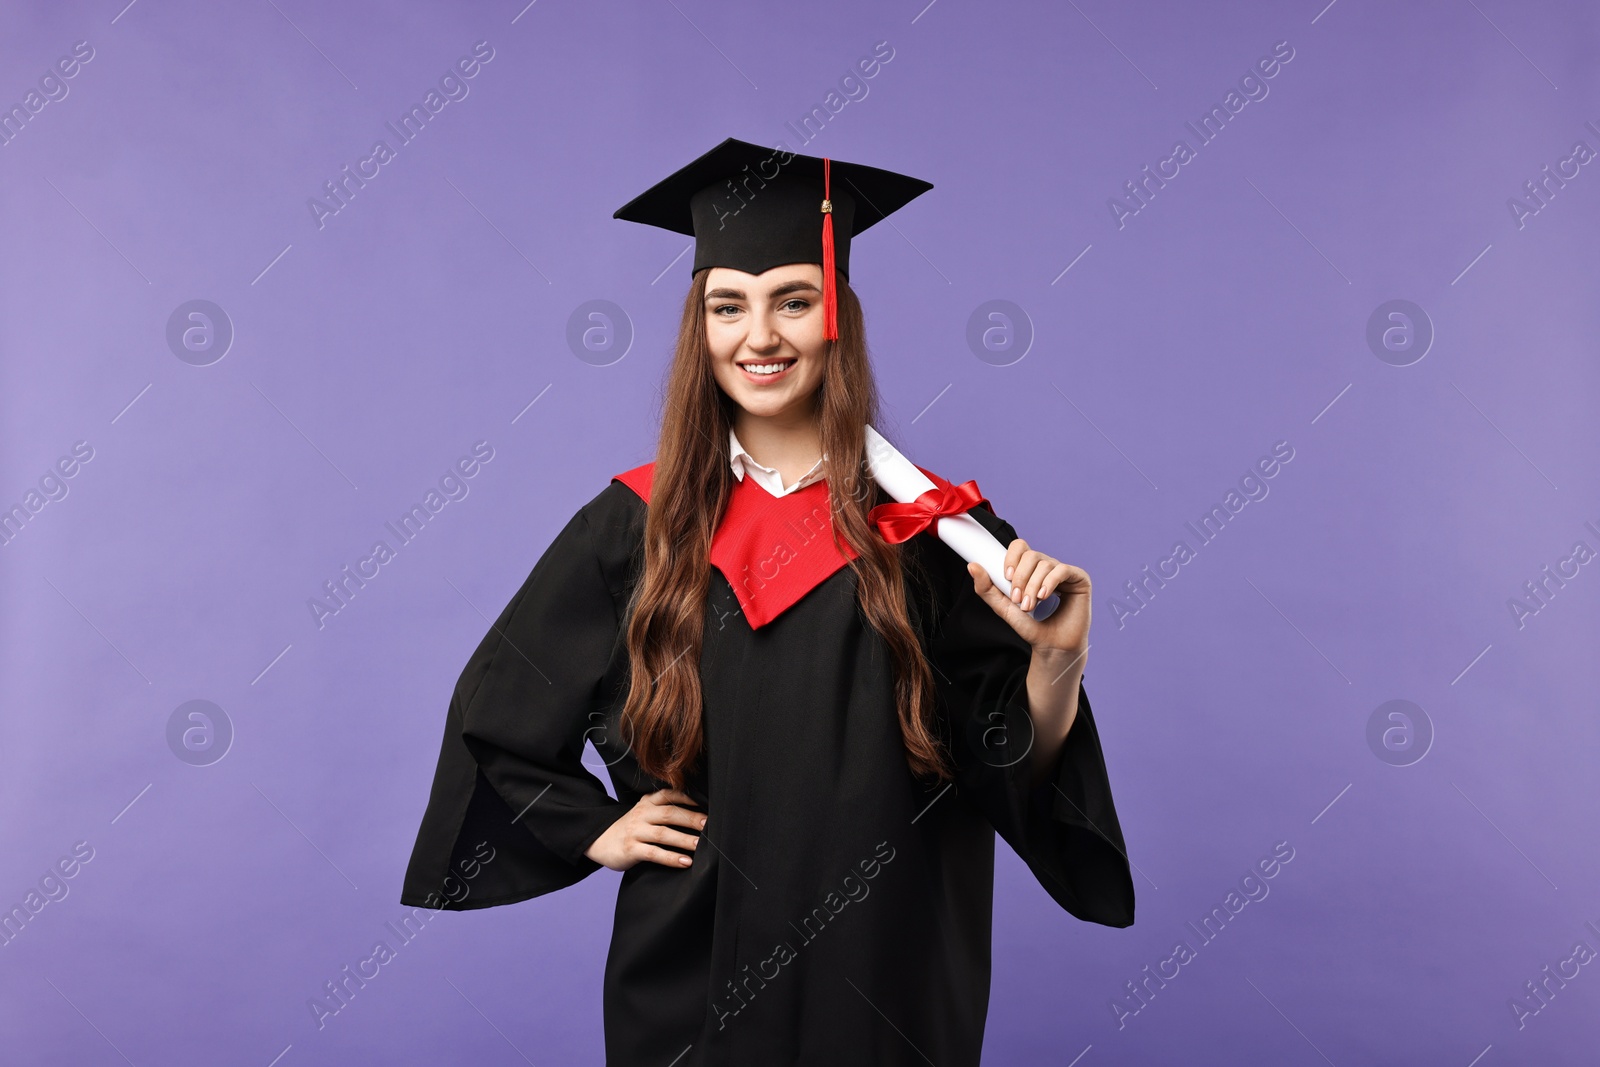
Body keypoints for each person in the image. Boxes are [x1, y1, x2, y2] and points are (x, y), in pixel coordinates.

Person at [401, 136, 1135, 1066]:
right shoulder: (637, 523)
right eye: (727, 306)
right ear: (697, 325)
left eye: (795, 299)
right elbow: (498, 712)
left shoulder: (937, 529)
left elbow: (1006, 761)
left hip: (890, 971)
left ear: (839, 317)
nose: (760, 336)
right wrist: (594, 829)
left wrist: (1056, 661)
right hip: (695, 969)